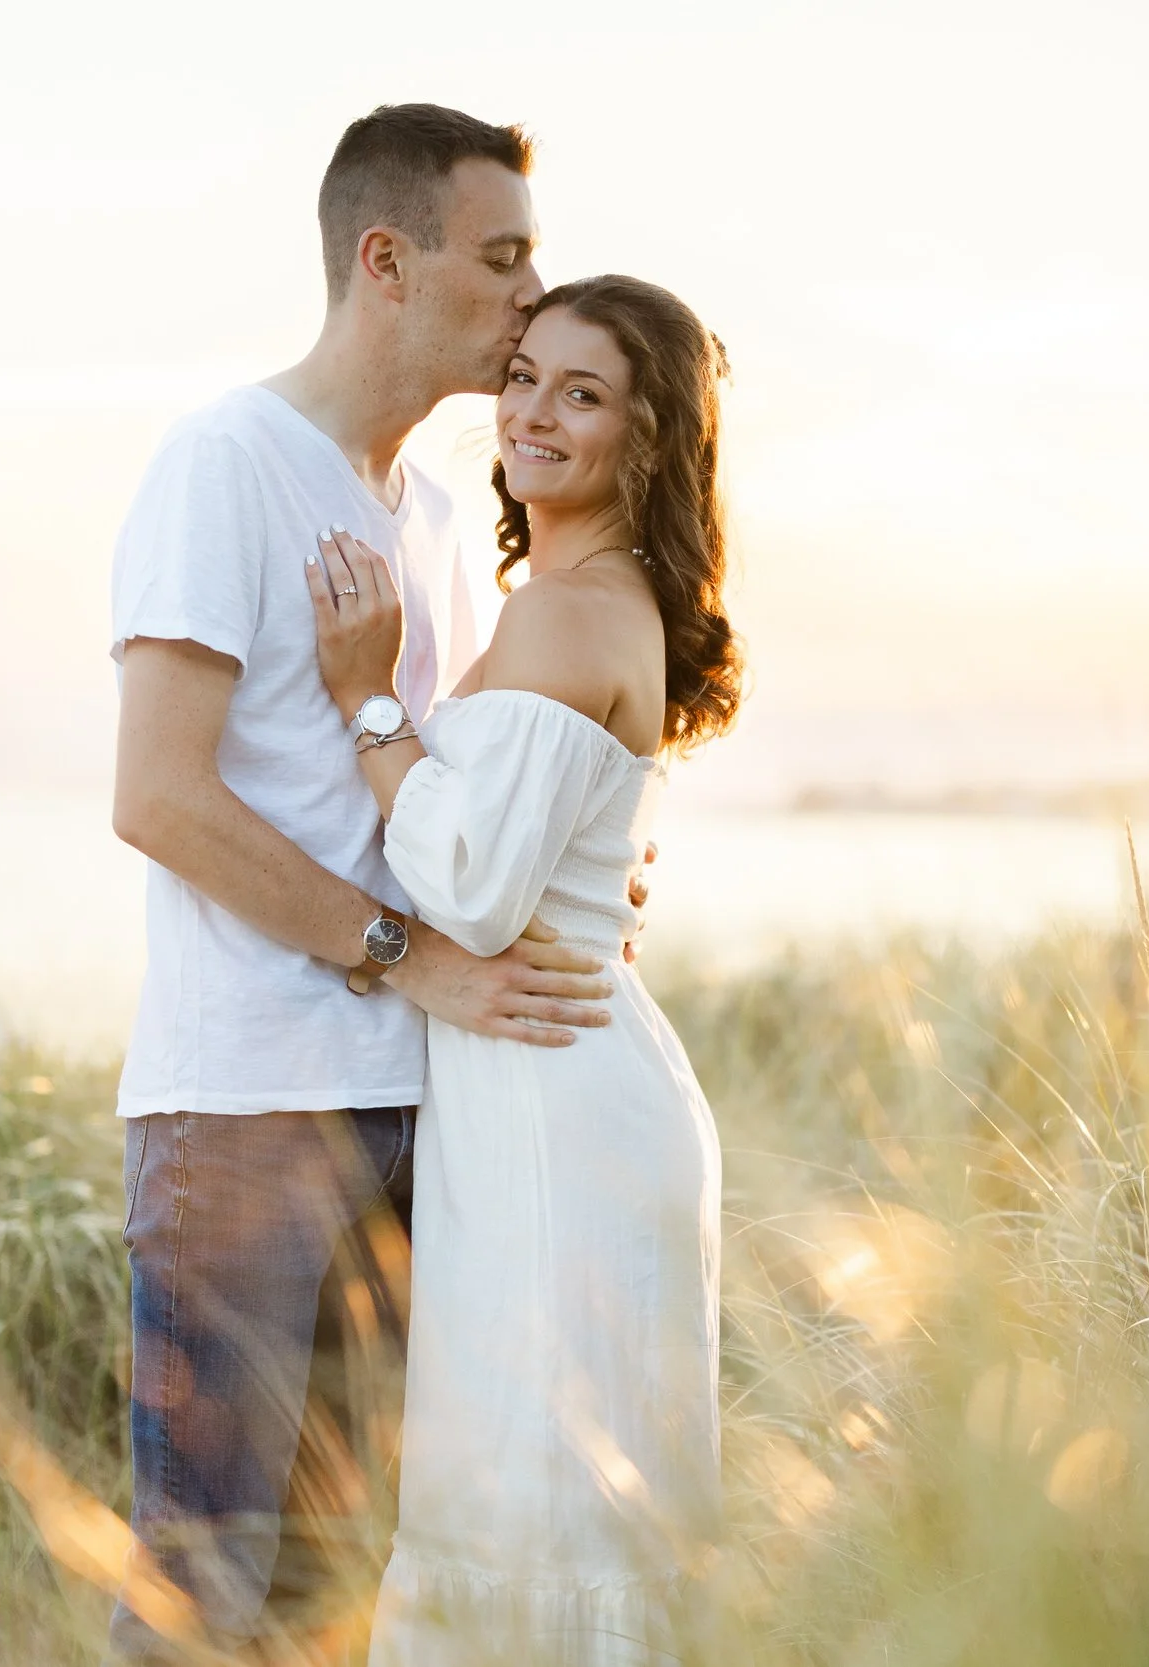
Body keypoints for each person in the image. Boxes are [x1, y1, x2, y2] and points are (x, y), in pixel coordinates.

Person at [105, 105, 636, 1661]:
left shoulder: (435, 514)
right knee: (205, 1588)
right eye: (504, 259)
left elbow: (444, 791)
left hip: (419, 1110)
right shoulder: (226, 462)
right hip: (249, 1114)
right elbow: (157, 794)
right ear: (386, 262)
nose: (533, 300)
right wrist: (407, 955)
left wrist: (575, 876)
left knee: (349, 1589)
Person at [306, 275, 741, 1665]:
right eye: (527, 375)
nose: (533, 412)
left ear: (649, 439)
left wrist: (371, 698)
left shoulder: (572, 609)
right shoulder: (571, 597)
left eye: (584, 392)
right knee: (542, 1510)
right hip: (558, 1081)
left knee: (537, 1514)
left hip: (557, 1105)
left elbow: (478, 891)